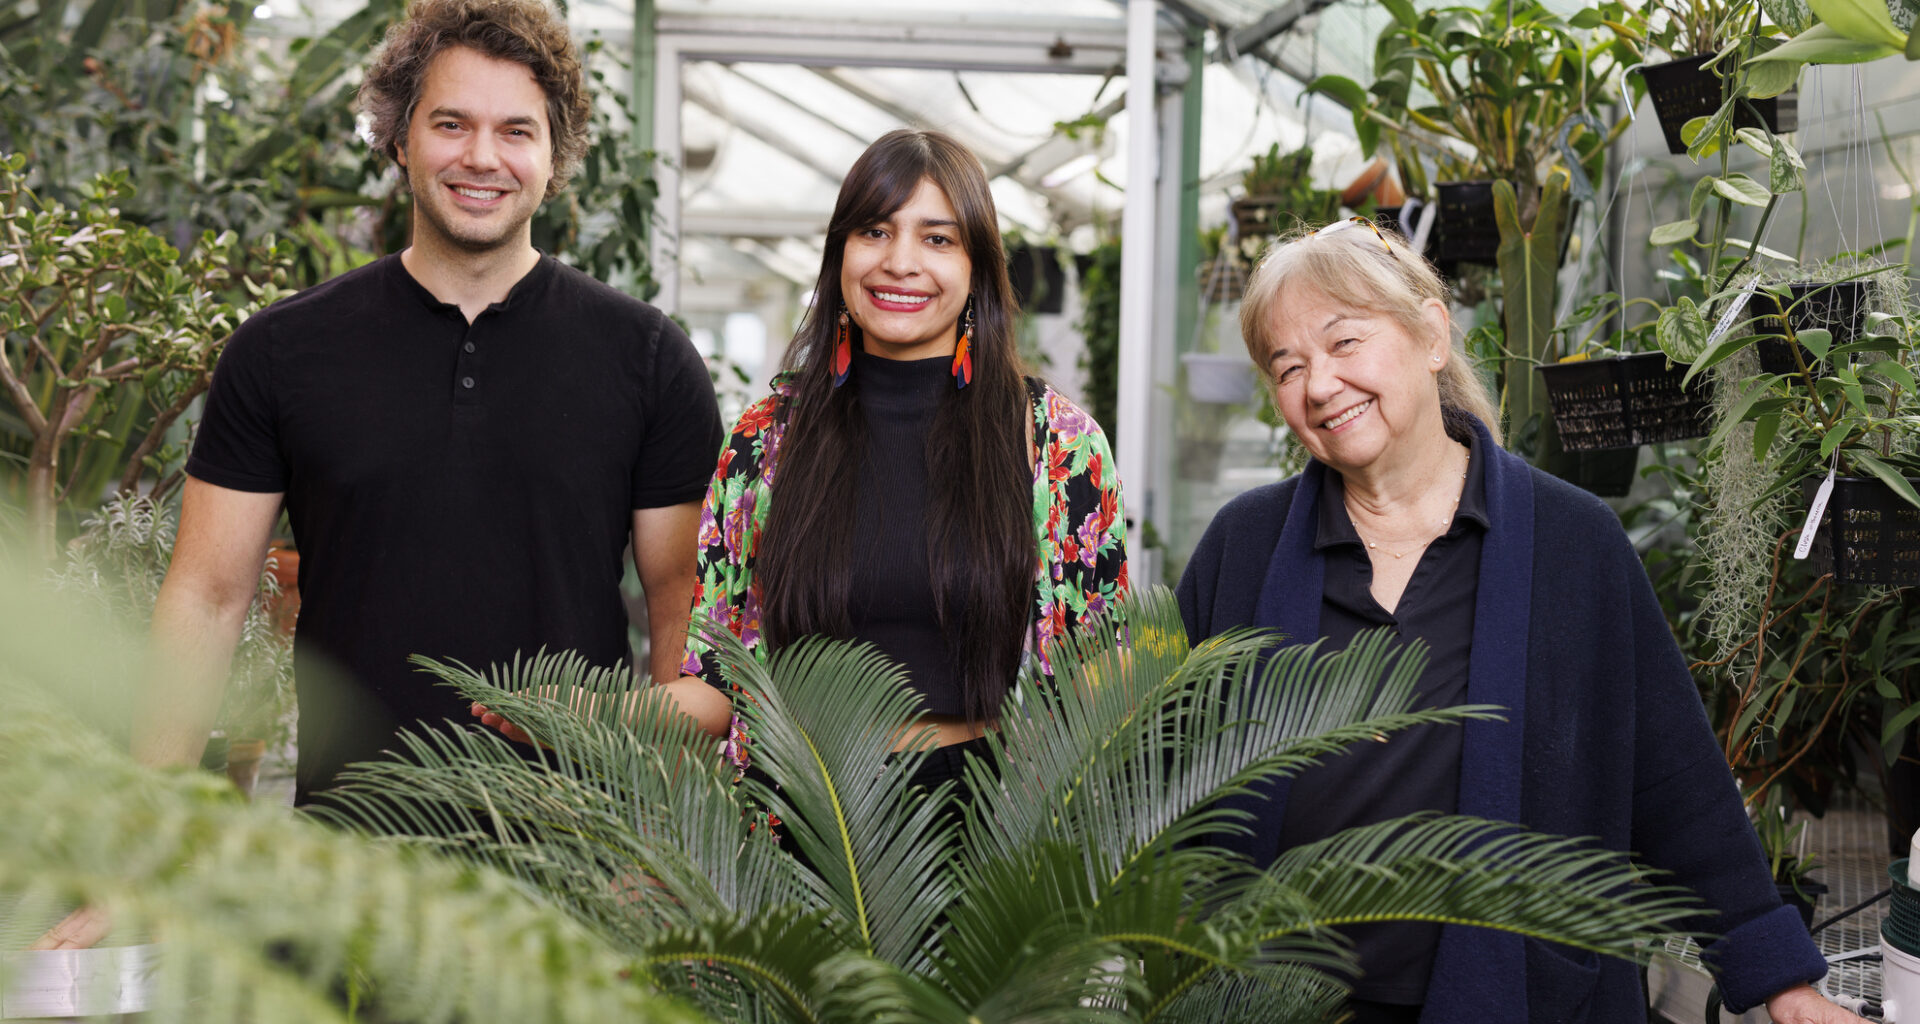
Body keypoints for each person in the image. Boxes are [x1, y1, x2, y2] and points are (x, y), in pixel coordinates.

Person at [1175, 217, 1864, 1024]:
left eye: (1344, 343)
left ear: (1431, 336)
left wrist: (1779, 979)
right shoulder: (1246, 545)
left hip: (1526, 998)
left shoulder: (1572, 543)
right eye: (1287, 367)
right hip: (1273, 1004)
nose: (1319, 385)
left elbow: (1674, 778)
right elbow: (1159, 774)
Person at [665, 128, 1127, 793]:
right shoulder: (765, 442)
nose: (899, 262)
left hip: (999, 827)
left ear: (976, 267)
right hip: (807, 818)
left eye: (937, 239)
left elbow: (1104, 671)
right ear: (840, 253)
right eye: (874, 232)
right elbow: (714, 682)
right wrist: (585, 714)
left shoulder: (1059, 444)